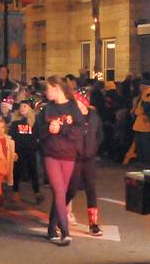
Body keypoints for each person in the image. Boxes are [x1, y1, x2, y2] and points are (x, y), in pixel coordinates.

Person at [36, 76, 84, 246]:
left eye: (48, 88)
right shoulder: (47, 108)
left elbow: (80, 129)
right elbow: (37, 129)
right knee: (58, 191)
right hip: (51, 154)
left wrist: (62, 128)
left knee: (62, 192)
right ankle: (65, 231)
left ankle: (51, 228)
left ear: (57, 88)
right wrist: (49, 129)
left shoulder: (73, 107)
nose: (46, 91)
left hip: (68, 154)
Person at [66, 95, 104, 236]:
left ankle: (93, 224)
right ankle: (59, 217)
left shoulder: (94, 117)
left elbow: (100, 135)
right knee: (71, 189)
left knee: (91, 189)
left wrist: (93, 147)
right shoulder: (72, 118)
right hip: (75, 158)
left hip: (89, 159)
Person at [10, 99, 41, 203]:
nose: (22, 108)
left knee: (33, 171)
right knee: (17, 171)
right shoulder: (15, 123)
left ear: (30, 109)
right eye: (21, 106)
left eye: (25, 106)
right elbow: (11, 137)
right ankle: (15, 192)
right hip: (18, 150)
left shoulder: (34, 123)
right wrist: (12, 151)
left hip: (30, 150)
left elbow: (38, 136)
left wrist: (36, 146)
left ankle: (37, 193)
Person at [131, 72, 150, 168]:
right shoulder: (147, 93)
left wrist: (137, 111)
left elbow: (147, 106)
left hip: (145, 123)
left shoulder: (149, 93)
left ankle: (146, 162)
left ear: (143, 86)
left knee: (145, 144)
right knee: (141, 143)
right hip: (142, 123)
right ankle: (143, 161)